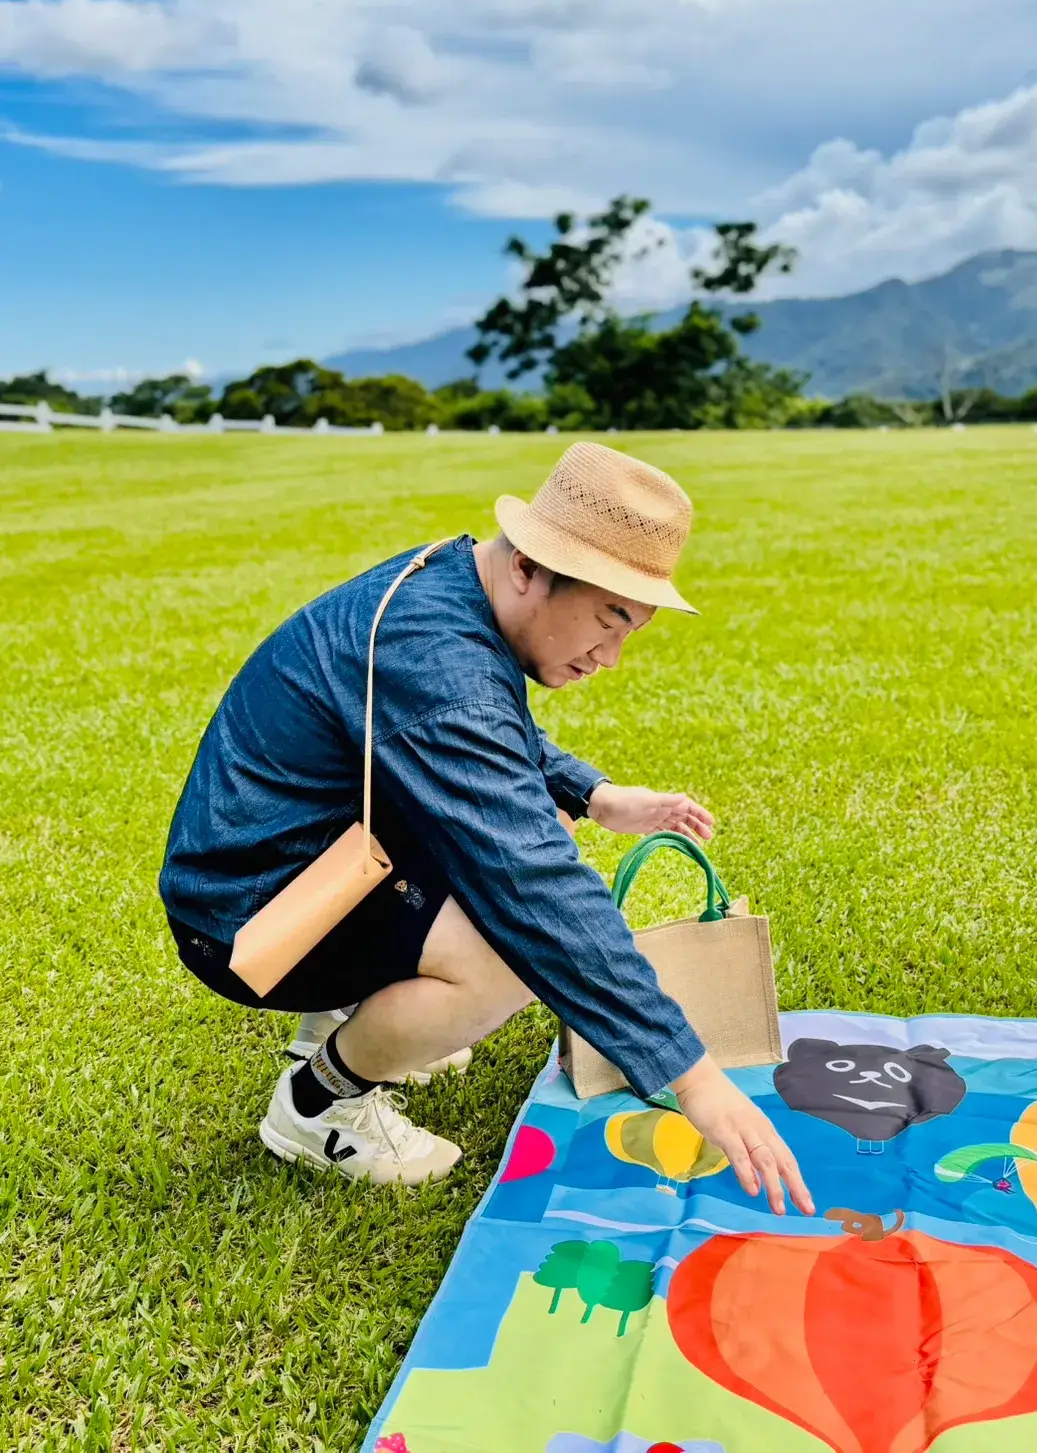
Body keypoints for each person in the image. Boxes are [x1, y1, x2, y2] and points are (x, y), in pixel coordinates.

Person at [159, 441, 813, 1216]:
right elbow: (537, 887)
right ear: (529, 568)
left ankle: (344, 1020)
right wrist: (694, 1076)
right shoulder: (443, 665)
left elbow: (483, 725)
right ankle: (317, 1103)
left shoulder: (449, 577)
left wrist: (594, 793)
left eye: (631, 629)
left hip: (302, 852)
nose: (611, 657)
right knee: (511, 950)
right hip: (249, 914)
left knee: (544, 839)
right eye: (609, 618)